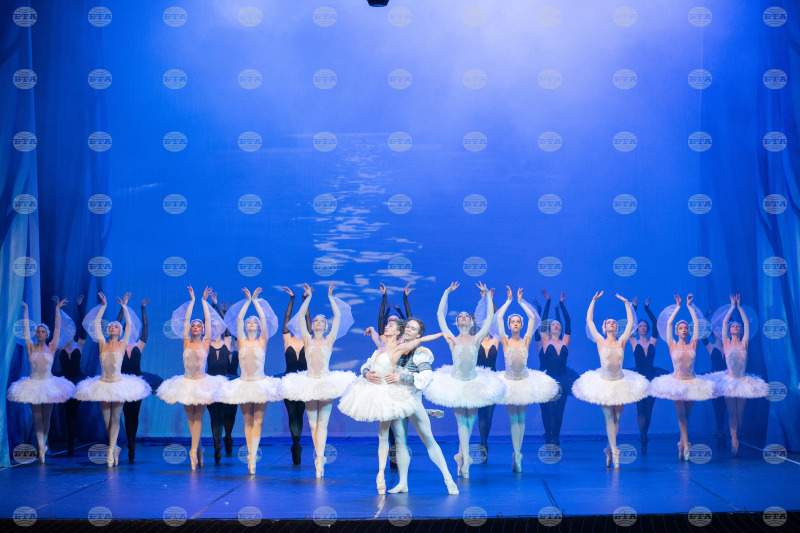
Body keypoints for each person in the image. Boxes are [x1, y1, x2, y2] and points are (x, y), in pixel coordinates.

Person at [339, 319, 442, 493]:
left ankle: (395, 477)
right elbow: (370, 357)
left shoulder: (399, 348)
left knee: (398, 435)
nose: (386, 327)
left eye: (391, 326)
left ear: (398, 332)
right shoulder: (380, 347)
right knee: (382, 434)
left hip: (390, 393)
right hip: (375, 391)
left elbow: (420, 341)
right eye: (387, 325)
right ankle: (380, 474)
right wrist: (366, 373)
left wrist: (441, 334)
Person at [424, 282, 505, 478]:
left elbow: (490, 318)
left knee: (470, 422)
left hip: (474, 383)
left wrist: (488, 295)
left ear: (471, 321)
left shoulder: (477, 338)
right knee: (462, 422)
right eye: (460, 316)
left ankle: (461, 456)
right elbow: (439, 315)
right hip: (456, 383)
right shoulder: (452, 338)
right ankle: (466, 459)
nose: (463, 317)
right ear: (457, 322)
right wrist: (446, 292)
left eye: (466, 316)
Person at [278, 283, 356, 478]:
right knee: (313, 425)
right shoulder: (307, 340)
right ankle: (318, 456)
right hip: (309, 383)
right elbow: (301, 317)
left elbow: (338, 317)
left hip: (326, 383)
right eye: (316, 320)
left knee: (323, 423)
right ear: (312, 325)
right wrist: (308, 298)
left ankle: (320, 459)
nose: (318, 322)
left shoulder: (329, 340)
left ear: (326, 326)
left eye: (322, 320)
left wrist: (330, 297)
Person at [573, 292, 649, 468]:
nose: (612, 323)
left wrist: (626, 303)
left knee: (616, 419)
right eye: (609, 322)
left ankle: (609, 448)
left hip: (621, 383)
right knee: (609, 418)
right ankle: (615, 451)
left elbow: (630, 323)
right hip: (604, 384)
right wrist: (593, 301)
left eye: (614, 322)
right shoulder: (600, 341)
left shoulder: (622, 341)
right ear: (604, 328)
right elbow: (589, 321)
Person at [75, 293, 151, 467]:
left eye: (116, 326)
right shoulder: (102, 343)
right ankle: (114, 447)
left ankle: (110, 451)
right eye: (111, 327)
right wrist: (103, 306)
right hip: (103, 384)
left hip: (118, 384)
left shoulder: (123, 344)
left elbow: (129, 325)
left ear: (120, 331)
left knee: (116, 419)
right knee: (107, 421)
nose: (113, 328)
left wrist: (125, 306)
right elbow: (96, 324)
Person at [156, 286, 227, 470]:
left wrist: (204, 302)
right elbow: (186, 320)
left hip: (202, 383)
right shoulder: (186, 341)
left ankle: (193, 451)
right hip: (186, 383)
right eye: (193, 326)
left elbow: (208, 321)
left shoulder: (206, 341)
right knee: (191, 419)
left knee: (199, 418)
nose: (195, 327)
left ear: (202, 330)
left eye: (198, 326)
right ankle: (199, 449)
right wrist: (193, 301)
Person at [216, 288, 282, 474]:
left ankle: (253, 456)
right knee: (248, 422)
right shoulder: (241, 341)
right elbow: (238, 319)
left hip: (261, 384)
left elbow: (264, 319)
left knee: (258, 422)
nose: (251, 324)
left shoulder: (263, 341)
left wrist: (256, 302)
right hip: (244, 384)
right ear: (245, 327)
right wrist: (247, 302)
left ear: (258, 327)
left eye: (254, 322)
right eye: (249, 322)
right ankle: (250, 454)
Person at [494, 287, 559, 472]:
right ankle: (517, 454)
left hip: (524, 382)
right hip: (509, 383)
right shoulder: (504, 341)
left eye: (517, 322)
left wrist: (521, 302)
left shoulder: (527, 340)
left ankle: (518, 453)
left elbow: (532, 318)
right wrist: (508, 301)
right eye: (513, 322)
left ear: (521, 325)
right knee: (512, 419)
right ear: (509, 325)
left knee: (521, 419)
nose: (515, 324)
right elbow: (499, 318)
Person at [8, 299, 76, 462]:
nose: (40, 333)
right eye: (38, 331)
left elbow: (57, 328)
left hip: (49, 384)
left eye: (42, 331)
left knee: (46, 418)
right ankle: (40, 448)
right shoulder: (30, 347)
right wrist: (26, 309)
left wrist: (57, 309)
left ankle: (43, 444)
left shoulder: (51, 347)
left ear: (46, 334)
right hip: (32, 385)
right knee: (37, 418)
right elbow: (26, 330)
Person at [649, 294, 715, 460]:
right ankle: (686, 444)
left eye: (686, 327)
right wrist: (678, 307)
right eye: (681, 328)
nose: (684, 329)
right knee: (681, 415)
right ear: (677, 331)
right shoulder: (671, 344)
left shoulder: (694, 343)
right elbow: (669, 324)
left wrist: (690, 307)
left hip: (692, 382)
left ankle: (680, 443)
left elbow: (696, 324)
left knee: (686, 415)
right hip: (677, 383)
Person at [707, 294, 768, 456]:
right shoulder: (726, 343)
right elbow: (725, 322)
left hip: (743, 381)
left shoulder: (744, 343)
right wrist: (732, 307)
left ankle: (736, 437)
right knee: (732, 412)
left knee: (739, 413)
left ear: (740, 331)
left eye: (737, 327)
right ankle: (734, 440)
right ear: (729, 331)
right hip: (729, 381)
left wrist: (739, 307)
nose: (735, 327)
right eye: (733, 326)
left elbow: (746, 323)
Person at [114, 293, 152, 462]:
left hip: (136, 383)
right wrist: (123, 308)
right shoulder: (118, 345)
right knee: (121, 413)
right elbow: (116, 323)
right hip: (121, 382)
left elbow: (145, 326)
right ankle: (116, 444)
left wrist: (142, 308)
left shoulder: (139, 345)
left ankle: (131, 444)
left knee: (133, 415)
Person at [627, 296, 667, 455]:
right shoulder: (633, 342)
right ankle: (642, 437)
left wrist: (647, 309)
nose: (642, 327)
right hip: (638, 379)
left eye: (644, 326)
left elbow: (656, 325)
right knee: (640, 409)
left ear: (647, 329)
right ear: (638, 329)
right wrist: (634, 308)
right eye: (640, 326)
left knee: (649, 409)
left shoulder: (652, 342)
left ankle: (644, 435)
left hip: (652, 378)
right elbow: (630, 325)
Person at [538, 290, 577, 447]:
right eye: (553, 324)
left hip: (563, 380)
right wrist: (548, 302)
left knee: (560, 412)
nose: (556, 325)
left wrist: (561, 304)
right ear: (549, 328)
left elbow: (568, 321)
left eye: (558, 325)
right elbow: (543, 321)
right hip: (549, 380)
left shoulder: (565, 341)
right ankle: (550, 435)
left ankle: (556, 439)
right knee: (550, 411)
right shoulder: (546, 341)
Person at [281, 286, 312, 464]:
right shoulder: (287, 340)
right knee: (292, 414)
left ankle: (297, 443)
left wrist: (305, 300)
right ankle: (296, 444)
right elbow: (286, 319)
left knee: (300, 413)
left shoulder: (307, 341)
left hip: (304, 382)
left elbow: (308, 319)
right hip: (289, 382)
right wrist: (292, 300)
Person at [208, 293, 238, 462]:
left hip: (227, 383)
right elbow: (207, 321)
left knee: (228, 415)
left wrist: (217, 306)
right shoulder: (206, 343)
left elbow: (226, 325)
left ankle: (228, 437)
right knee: (215, 416)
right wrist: (212, 306)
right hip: (210, 384)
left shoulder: (227, 342)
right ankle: (216, 445)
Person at [57, 294, 87, 456]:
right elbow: (57, 326)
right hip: (63, 381)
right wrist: (58, 310)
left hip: (76, 381)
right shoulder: (60, 346)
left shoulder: (78, 345)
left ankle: (71, 442)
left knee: (73, 411)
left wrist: (79, 308)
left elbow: (84, 330)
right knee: (67, 411)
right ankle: (70, 439)